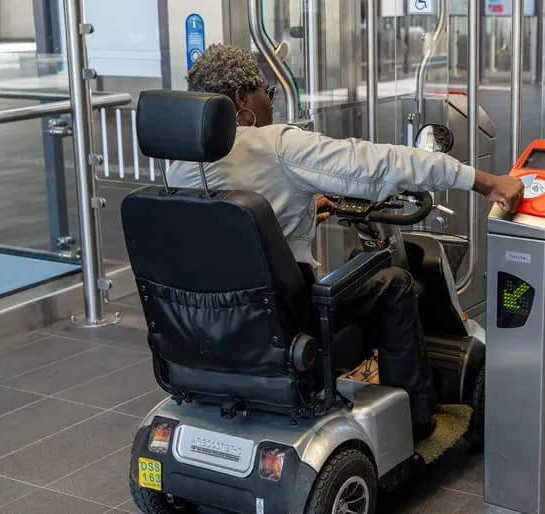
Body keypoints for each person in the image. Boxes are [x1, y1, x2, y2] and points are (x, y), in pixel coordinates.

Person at [167, 44, 524, 439]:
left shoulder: (177, 166)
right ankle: (419, 419)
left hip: (201, 332)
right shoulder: (277, 146)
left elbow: (232, 230)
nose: (271, 103)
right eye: (268, 93)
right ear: (241, 99)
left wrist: (299, 210)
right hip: (283, 331)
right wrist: (484, 181)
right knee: (394, 282)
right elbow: (378, 163)